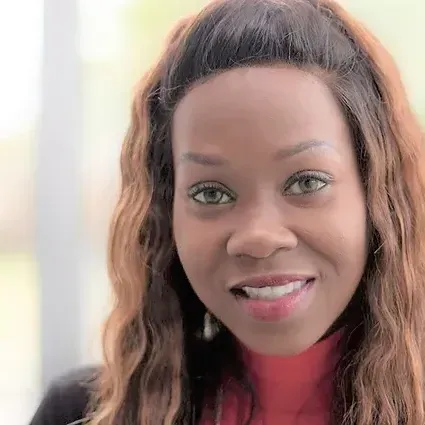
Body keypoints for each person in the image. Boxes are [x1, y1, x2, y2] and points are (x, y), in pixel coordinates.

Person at [30, 0, 425, 424]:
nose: (258, 236)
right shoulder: (82, 414)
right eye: (211, 194)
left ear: (378, 197)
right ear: (165, 215)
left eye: (307, 182)